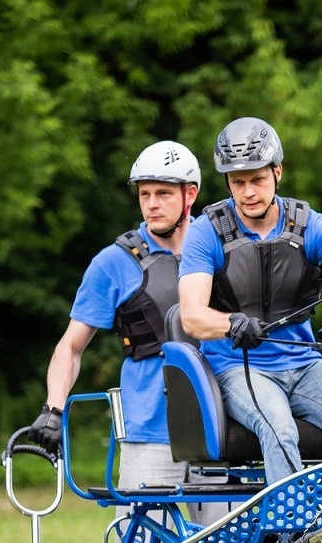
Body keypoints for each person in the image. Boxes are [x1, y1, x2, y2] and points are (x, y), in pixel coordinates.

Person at [25, 139, 226, 519]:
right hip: (149, 429)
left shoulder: (223, 247)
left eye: (163, 193)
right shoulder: (113, 263)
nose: (151, 203)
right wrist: (53, 409)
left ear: (191, 195)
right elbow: (70, 347)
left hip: (218, 430)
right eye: (144, 193)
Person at [177, 116, 322, 482]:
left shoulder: (310, 225)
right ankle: (291, 536)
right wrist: (231, 323)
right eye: (238, 183)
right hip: (237, 368)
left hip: (304, 365)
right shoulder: (205, 233)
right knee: (279, 429)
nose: (248, 192)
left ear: (277, 172)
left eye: (257, 179)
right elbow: (191, 316)